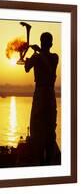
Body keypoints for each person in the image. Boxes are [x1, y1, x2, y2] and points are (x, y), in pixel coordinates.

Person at [24, 32, 60, 165]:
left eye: (45, 42)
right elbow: (27, 68)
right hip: (41, 93)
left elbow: (51, 71)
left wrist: (38, 53)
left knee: (50, 127)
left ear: (49, 44)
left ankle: (49, 160)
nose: (45, 44)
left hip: (47, 94)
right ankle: (39, 159)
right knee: (37, 127)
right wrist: (30, 56)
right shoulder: (38, 57)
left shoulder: (53, 57)